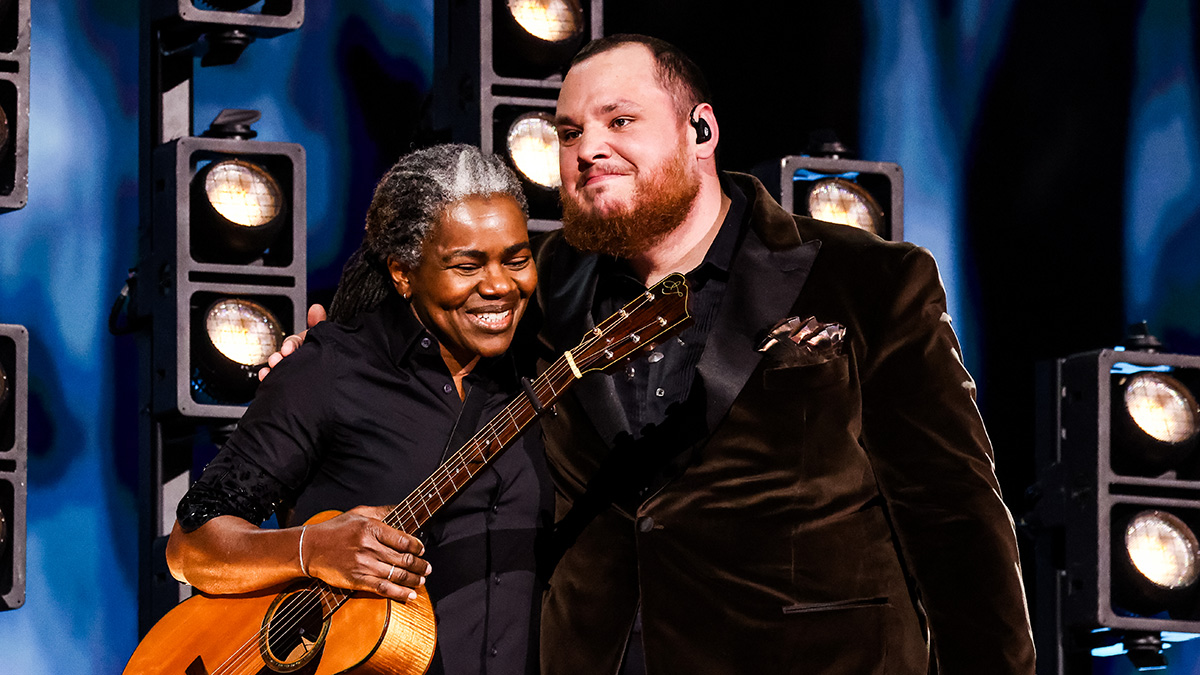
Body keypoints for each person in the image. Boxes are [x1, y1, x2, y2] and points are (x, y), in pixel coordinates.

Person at [269, 35, 1036, 675]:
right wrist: (318, 370)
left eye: (618, 121)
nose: (587, 149)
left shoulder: (868, 278)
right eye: (568, 133)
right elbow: (413, 369)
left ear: (700, 131)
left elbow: (956, 518)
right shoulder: (540, 290)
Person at [166, 144, 550, 675]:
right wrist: (309, 548)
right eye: (467, 264)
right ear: (403, 273)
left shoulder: (544, 375)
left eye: (517, 258)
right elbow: (192, 545)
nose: (500, 286)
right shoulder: (330, 370)